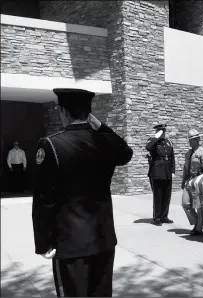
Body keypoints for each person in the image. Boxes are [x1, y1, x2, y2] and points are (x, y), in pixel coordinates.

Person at [32, 88, 133, 297]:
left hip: (70, 243)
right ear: (89, 114)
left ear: (64, 112)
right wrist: (102, 127)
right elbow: (126, 153)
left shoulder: (51, 145)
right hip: (103, 239)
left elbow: (44, 200)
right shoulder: (104, 142)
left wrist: (43, 242)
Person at [181, 129, 203, 235]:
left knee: (199, 206)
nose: (191, 141)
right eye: (190, 140)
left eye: (193, 139)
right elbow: (186, 169)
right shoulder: (188, 153)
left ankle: (199, 227)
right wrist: (183, 181)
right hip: (189, 181)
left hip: (198, 182)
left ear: (198, 140)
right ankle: (197, 223)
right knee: (185, 204)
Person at [146, 124, 176, 226]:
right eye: (161, 131)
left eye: (164, 131)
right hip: (157, 172)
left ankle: (164, 216)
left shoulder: (168, 142)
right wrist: (156, 137)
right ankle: (157, 217)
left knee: (167, 195)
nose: (163, 133)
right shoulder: (152, 141)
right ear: (158, 131)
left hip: (167, 172)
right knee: (158, 196)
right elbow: (148, 147)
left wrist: (173, 171)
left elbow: (172, 157)